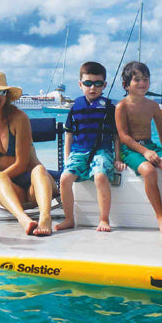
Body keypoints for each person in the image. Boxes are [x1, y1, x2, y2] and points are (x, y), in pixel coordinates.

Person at [0, 70, 56, 236]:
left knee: (37, 169)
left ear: (7, 95)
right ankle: (24, 220)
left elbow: (22, 164)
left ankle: (45, 218)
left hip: (35, 186)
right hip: (10, 191)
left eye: (1, 91)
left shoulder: (19, 118)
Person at [55, 61, 125, 232]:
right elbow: (69, 135)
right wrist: (67, 159)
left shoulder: (109, 108)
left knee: (100, 177)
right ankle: (69, 219)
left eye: (97, 83)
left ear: (104, 85)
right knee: (64, 179)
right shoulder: (75, 107)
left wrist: (117, 158)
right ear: (80, 85)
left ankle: (103, 219)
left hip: (102, 151)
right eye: (88, 83)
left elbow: (116, 136)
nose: (92, 87)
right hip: (79, 152)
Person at [114, 60, 162, 233]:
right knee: (149, 171)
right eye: (137, 80)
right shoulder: (121, 107)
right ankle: (160, 215)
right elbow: (123, 137)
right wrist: (144, 152)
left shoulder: (152, 105)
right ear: (126, 85)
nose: (142, 83)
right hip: (130, 149)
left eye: (145, 79)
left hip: (149, 145)